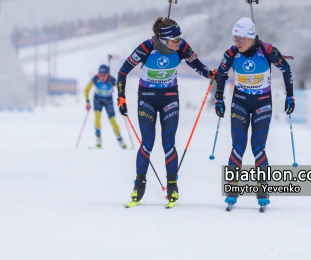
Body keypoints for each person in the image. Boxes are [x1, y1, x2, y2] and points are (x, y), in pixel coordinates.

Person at [117, 17, 215, 208]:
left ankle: (172, 187)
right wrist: (121, 97)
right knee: (147, 143)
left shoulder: (182, 47)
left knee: (168, 143)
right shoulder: (145, 48)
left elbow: (197, 65)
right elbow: (122, 72)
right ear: (163, 39)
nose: (179, 42)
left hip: (170, 98)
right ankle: (139, 187)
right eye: (175, 39)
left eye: (180, 38)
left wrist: (210, 74)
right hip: (147, 99)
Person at [214, 18, 294, 209]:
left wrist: (289, 95)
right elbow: (220, 74)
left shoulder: (267, 50)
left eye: (240, 38)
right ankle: (232, 189)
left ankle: (262, 189)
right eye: (234, 38)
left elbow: (286, 69)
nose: (237, 42)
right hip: (240, 103)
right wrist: (219, 98)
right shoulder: (232, 53)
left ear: (250, 37)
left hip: (262, 103)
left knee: (258, 147)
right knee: (238, 146)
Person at [84, 64, 127, 149]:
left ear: (107, 74)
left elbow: (121, 89)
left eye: (104, 75)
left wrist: (121, 98)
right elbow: (86, 90)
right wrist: (87, 101)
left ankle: (120, 140)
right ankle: (98, 140)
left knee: (112, 120)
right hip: (97, 100)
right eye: (100, 75)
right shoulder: (95, 78)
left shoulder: (111, 79)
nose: (102, 77)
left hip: (108, 101)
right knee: (97, 118)